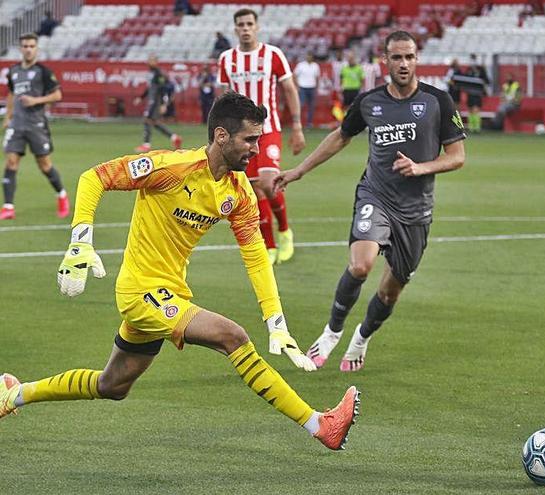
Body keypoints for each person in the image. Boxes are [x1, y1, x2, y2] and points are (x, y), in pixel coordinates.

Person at [0, 92, 359, 451]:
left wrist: (276, 321)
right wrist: (80, 241)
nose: (256, 148)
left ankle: (13, 394)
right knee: (232, 337)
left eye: (259, 140)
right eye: (250, 140)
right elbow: (95, 178)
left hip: (169, 291)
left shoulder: (239, 193)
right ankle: (319, 424)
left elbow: (255, 256)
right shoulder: (172, 168)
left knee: (113, 385)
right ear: (221, 136)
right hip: (140, 291)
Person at [273, 31, 466, 373]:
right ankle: (332, 331)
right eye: (396, 57)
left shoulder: (438, 101)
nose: (403, 64)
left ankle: (361, 338)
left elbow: (457, 156)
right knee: (361, 265)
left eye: (409, 57)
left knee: (390, 292)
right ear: (384, 61)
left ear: (416, 59)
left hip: (416, 211)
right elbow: (340, 137)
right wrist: (299, 171)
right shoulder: (369, 102)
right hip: (375, 196)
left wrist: (421, 167)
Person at [217, 8, 306, 265]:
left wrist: (297, 126)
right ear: (235, 29)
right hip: (240, 135)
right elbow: (223, 97)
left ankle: (285, 230)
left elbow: (289, 89)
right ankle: (268, 245)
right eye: (241, 25)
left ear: (257, 27)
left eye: (249, 24)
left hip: (269, 130)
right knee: (254, 191)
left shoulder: (273, 55)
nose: (245, 28)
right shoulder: (226, 59)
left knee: (268, 183)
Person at [2, 33, 68, 221]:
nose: (28, 49)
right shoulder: (13, 71)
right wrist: (8, 117)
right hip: (17, 125)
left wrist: (36, 100)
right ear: (20, 48)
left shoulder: (44, 72)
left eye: (32, 46)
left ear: (36, 49)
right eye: (25, 46)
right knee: (11, 162)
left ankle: (61, 195)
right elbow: (11, 95)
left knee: (45, 165)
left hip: (36, 125)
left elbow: (57, 96)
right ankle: (8, 207)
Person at [134, 56, 182, 153]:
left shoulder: (159, 74)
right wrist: (141, 97)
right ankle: (174, 137)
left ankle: (146, 145)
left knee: (147, 120)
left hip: (156, 101)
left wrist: (164, 104)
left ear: (156, 62)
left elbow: (164, 89)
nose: (149, 62)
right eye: (148, 60)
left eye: (151, 60)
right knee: (154, 122)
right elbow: (149, 88)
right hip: (152, 100)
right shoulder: (152, 73)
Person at [294, 53, 319, 128]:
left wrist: (316, 87)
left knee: (311, 106)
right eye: (308, 56)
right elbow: (294, 75)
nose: (309, 57)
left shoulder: (315, 66)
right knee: (300, 105)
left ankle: (309, 123)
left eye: (310, 56)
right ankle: (298, 122)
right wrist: (297, 86)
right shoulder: (301, 65)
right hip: (302, 87)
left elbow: (317, 77)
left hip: (312, 87)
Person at [464, 53, 488, 133]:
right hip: (470, 92)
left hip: (477, 93)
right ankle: (471, 127)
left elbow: (487, 80)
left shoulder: (481, 69)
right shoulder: (469, 70)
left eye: (473, 59)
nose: (472, 61)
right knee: (470, 110)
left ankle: (477, 127)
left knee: (476, 109)